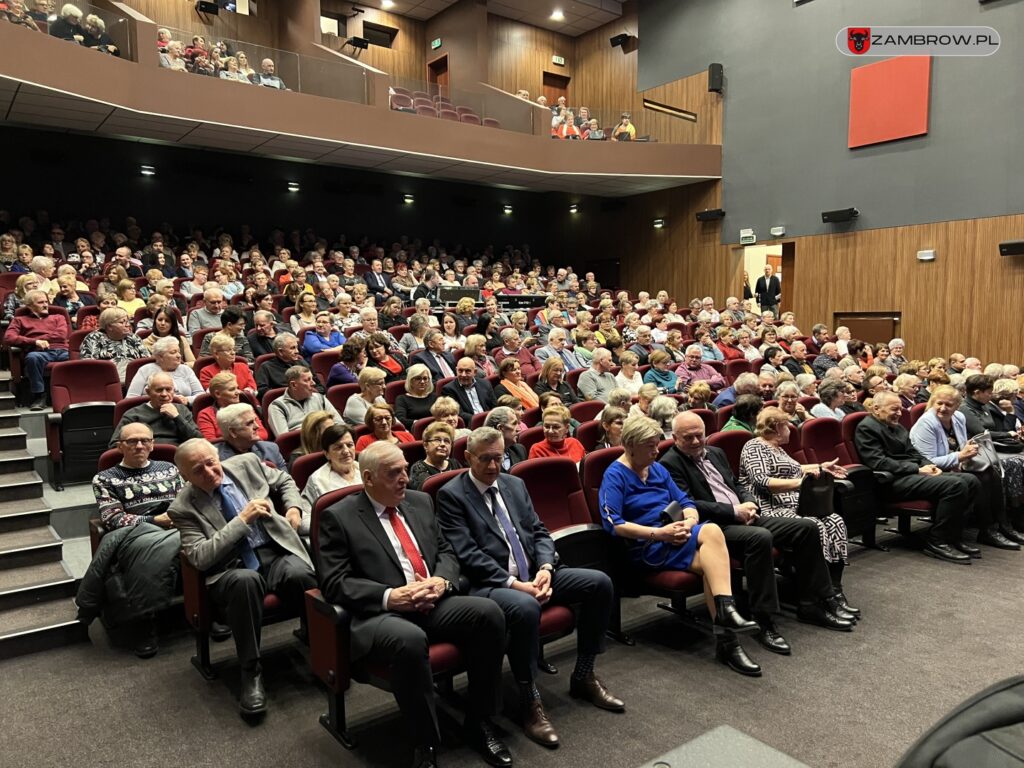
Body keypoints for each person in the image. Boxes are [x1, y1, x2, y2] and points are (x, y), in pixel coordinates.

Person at [317, 442, 509, 768]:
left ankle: (479, 721)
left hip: (431, 600)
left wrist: (442, 581)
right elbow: (335, 582)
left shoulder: (420, 502)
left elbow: (447, 551)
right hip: (381, 612)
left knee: (489, 613)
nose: (405, 478)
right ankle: (426, 743)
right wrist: (391, 596)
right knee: (409, 640)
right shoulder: (339, 517)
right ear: (368, 478)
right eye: (394, 474)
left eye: (405, 469)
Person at [437, 427, 623, 749]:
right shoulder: (452, 495)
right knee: (525, 607)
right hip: (490, 585)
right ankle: (529, 697)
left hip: (536, 573)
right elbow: (466, 553)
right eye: (486, 460)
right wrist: (515, 584)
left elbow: (538, 530)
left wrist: (547, 568)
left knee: (599, 583)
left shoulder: (514, 483)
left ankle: (584, 674)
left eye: (499, 458)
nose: (495, 466)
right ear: (467, 457)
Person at [663, 412, 854, 652]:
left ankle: (815, 602)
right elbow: (689, 504)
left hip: (746, 513)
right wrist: (734, 511)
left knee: (808, 527)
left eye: (698, 435)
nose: (694, 441)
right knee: (759, 537)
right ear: (675, 438)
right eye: (687, 437)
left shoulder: (715, 453)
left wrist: (749, 502)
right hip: (715, 526)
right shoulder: (669, 463)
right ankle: (764, 621)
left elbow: (738, 483)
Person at [599, 415, 761, 675]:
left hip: (676, 536)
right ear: (630, 445)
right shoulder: (615, 475)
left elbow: (686, 502)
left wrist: (689, 521)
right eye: (650, 446)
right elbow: (614, 524)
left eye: (656, 445)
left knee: (710, 554)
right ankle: (727, 619)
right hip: (648, 547)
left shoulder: (657, 469)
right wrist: (660, 534)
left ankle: (728, 641)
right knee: (711, 533)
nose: (656, 451)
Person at [169, 439, 315, 717]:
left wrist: (293, 507)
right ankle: (251, 671)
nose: (210, 473)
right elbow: (199, 556)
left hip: (274, 551)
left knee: (300, 573)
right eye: (198, 471)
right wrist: (241, 520)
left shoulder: (246, 464)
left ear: (218, 456)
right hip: (230, 568)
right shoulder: (183, 508)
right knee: (245, 582)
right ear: (184, 476)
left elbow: (284, 480)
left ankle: (321, 646)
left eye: (211, 463)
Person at [736, 407, 860, 613]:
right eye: (787, 425)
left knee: (835, 520)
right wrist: (801, 484)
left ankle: (834, 589)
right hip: (769, 507)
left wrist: (821, 467)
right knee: (816, 525)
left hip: (793, 504)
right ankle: (816, 593)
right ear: (776, 427)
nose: (791, 430)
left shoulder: (778, 449)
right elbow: (761, 481)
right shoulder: (754, 446)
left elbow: (795, 469)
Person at [84, 423, 182, 657]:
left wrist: (178, 517)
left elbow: (187, 500)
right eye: (132, 441)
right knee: (145, 553)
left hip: (176, 524)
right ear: (120, 446)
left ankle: (208, 609)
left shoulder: (169, 468)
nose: (139, 446)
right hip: (136, 532)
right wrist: (155, 520)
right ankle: (144, 622)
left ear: (152, 444)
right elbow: (112, 518)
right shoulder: (105, 478)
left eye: (145, 441)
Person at [854, 391, 977, 564]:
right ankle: (936, 541)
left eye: (900, 409)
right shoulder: (867, 428)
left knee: (971, 480)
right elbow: (878, 462)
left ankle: (952, 536)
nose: (899, 413)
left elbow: (913, 452)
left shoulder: (896, 426)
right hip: (891, 481)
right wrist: (917, 469)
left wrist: (930, 465)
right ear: (876, 409)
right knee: (955, 485)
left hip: (909, 475)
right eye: (894, 409)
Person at [910, 384, 1021, 550]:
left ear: (957, 406)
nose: (943, 408)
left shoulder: (959, 417)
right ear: (932, 402)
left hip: (957, 465)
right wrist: (960, 456)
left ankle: (1003, 526)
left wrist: (968, 449)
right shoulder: (926, 423)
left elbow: (961, 446)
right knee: (981, 477)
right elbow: (928, 461)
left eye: (949, 405)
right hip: (932, 472)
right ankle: (987, 530)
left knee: (991, 472)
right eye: (939, 403)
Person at [2, 289, 69, 410]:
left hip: (63, 351)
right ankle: (39, 396)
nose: (45, 304)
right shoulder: (20, 320)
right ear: (30, 306)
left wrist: (36, 338)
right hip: (39, 353)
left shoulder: (58, 317)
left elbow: (61, 335)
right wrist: (34, 342)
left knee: (82, 357)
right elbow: (8, 338)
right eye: (40, 302)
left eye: (46, 301)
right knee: (32, 358)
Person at [112, 372, 202, 446]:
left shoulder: (182, 410)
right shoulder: (133, 414)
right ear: (148, 392)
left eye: (168, 389)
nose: (164, 394)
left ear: (174, 391)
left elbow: (199, 441)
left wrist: (177, 417)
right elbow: (114, 445)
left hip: (179, 458)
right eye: (159, 390)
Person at [299, 424, 359, 527]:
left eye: (349, 445)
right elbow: (304, 522)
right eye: (338, 447)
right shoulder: (317, 481)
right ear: (327, 454)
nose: (346, 451)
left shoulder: (367, 469)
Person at [126, 336, 204, 404]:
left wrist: (187, 399)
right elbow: (131, 398)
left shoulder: (186, 369)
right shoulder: (145, 370)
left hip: (183, 411)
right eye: (173, 352)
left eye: (179, 352)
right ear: (160, 357)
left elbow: (201, 394)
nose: (179, 356)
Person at [79, 307, 147, 384]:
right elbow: (88, 366)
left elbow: (146, 360)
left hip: (137, 380)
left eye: (127, 321)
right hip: (106, 382)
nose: (128, 325)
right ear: (109, 326)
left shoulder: (133, 337)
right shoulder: (93, 338)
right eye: (122, 322)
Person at [267, 366, 341, 436]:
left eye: (312, 379)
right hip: (300, 446)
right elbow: (284, 440)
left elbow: (340, 424)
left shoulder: (320, 398)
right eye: (307, 380)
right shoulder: (277, 407)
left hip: (328, 442)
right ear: (294, 385)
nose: (313, 383)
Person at [196, 372, 267, 442]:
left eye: (237, 388)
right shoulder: (206, 415)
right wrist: (244, 439)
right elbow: (211, 442)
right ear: (218, 394)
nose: (238, 392)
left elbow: (263, 434)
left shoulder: (246, 408)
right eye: (232, 389)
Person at [216, 403, 287, 470]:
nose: (257, 426)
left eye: (255, 421)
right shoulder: (217, 460)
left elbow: (288, 481)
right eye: (249, 423)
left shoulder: (271, 449)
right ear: (233, 432)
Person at [255, 333, 316, 400]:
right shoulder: (266, 367)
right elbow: (263, 393)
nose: (297, 351)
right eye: (292, 348)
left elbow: (320, 386)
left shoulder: (302, 362)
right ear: (280, 351)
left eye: (297, 347)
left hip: (310, 399)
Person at [442, 358, 497, 426]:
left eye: (467, 371)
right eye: (460, 371)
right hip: (470, 425)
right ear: (456, 370)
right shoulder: (449, 389)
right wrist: (479, 420)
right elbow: (459, 413)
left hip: (490, 421)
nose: (463, 374)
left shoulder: (485, 383)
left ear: (475, 372)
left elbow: (494, 405)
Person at [408, 421, 463, 490]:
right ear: (425, 445)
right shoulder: (418, 468)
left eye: (446, 441)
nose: (443, 444)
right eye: (437, 440)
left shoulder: (455, 464)